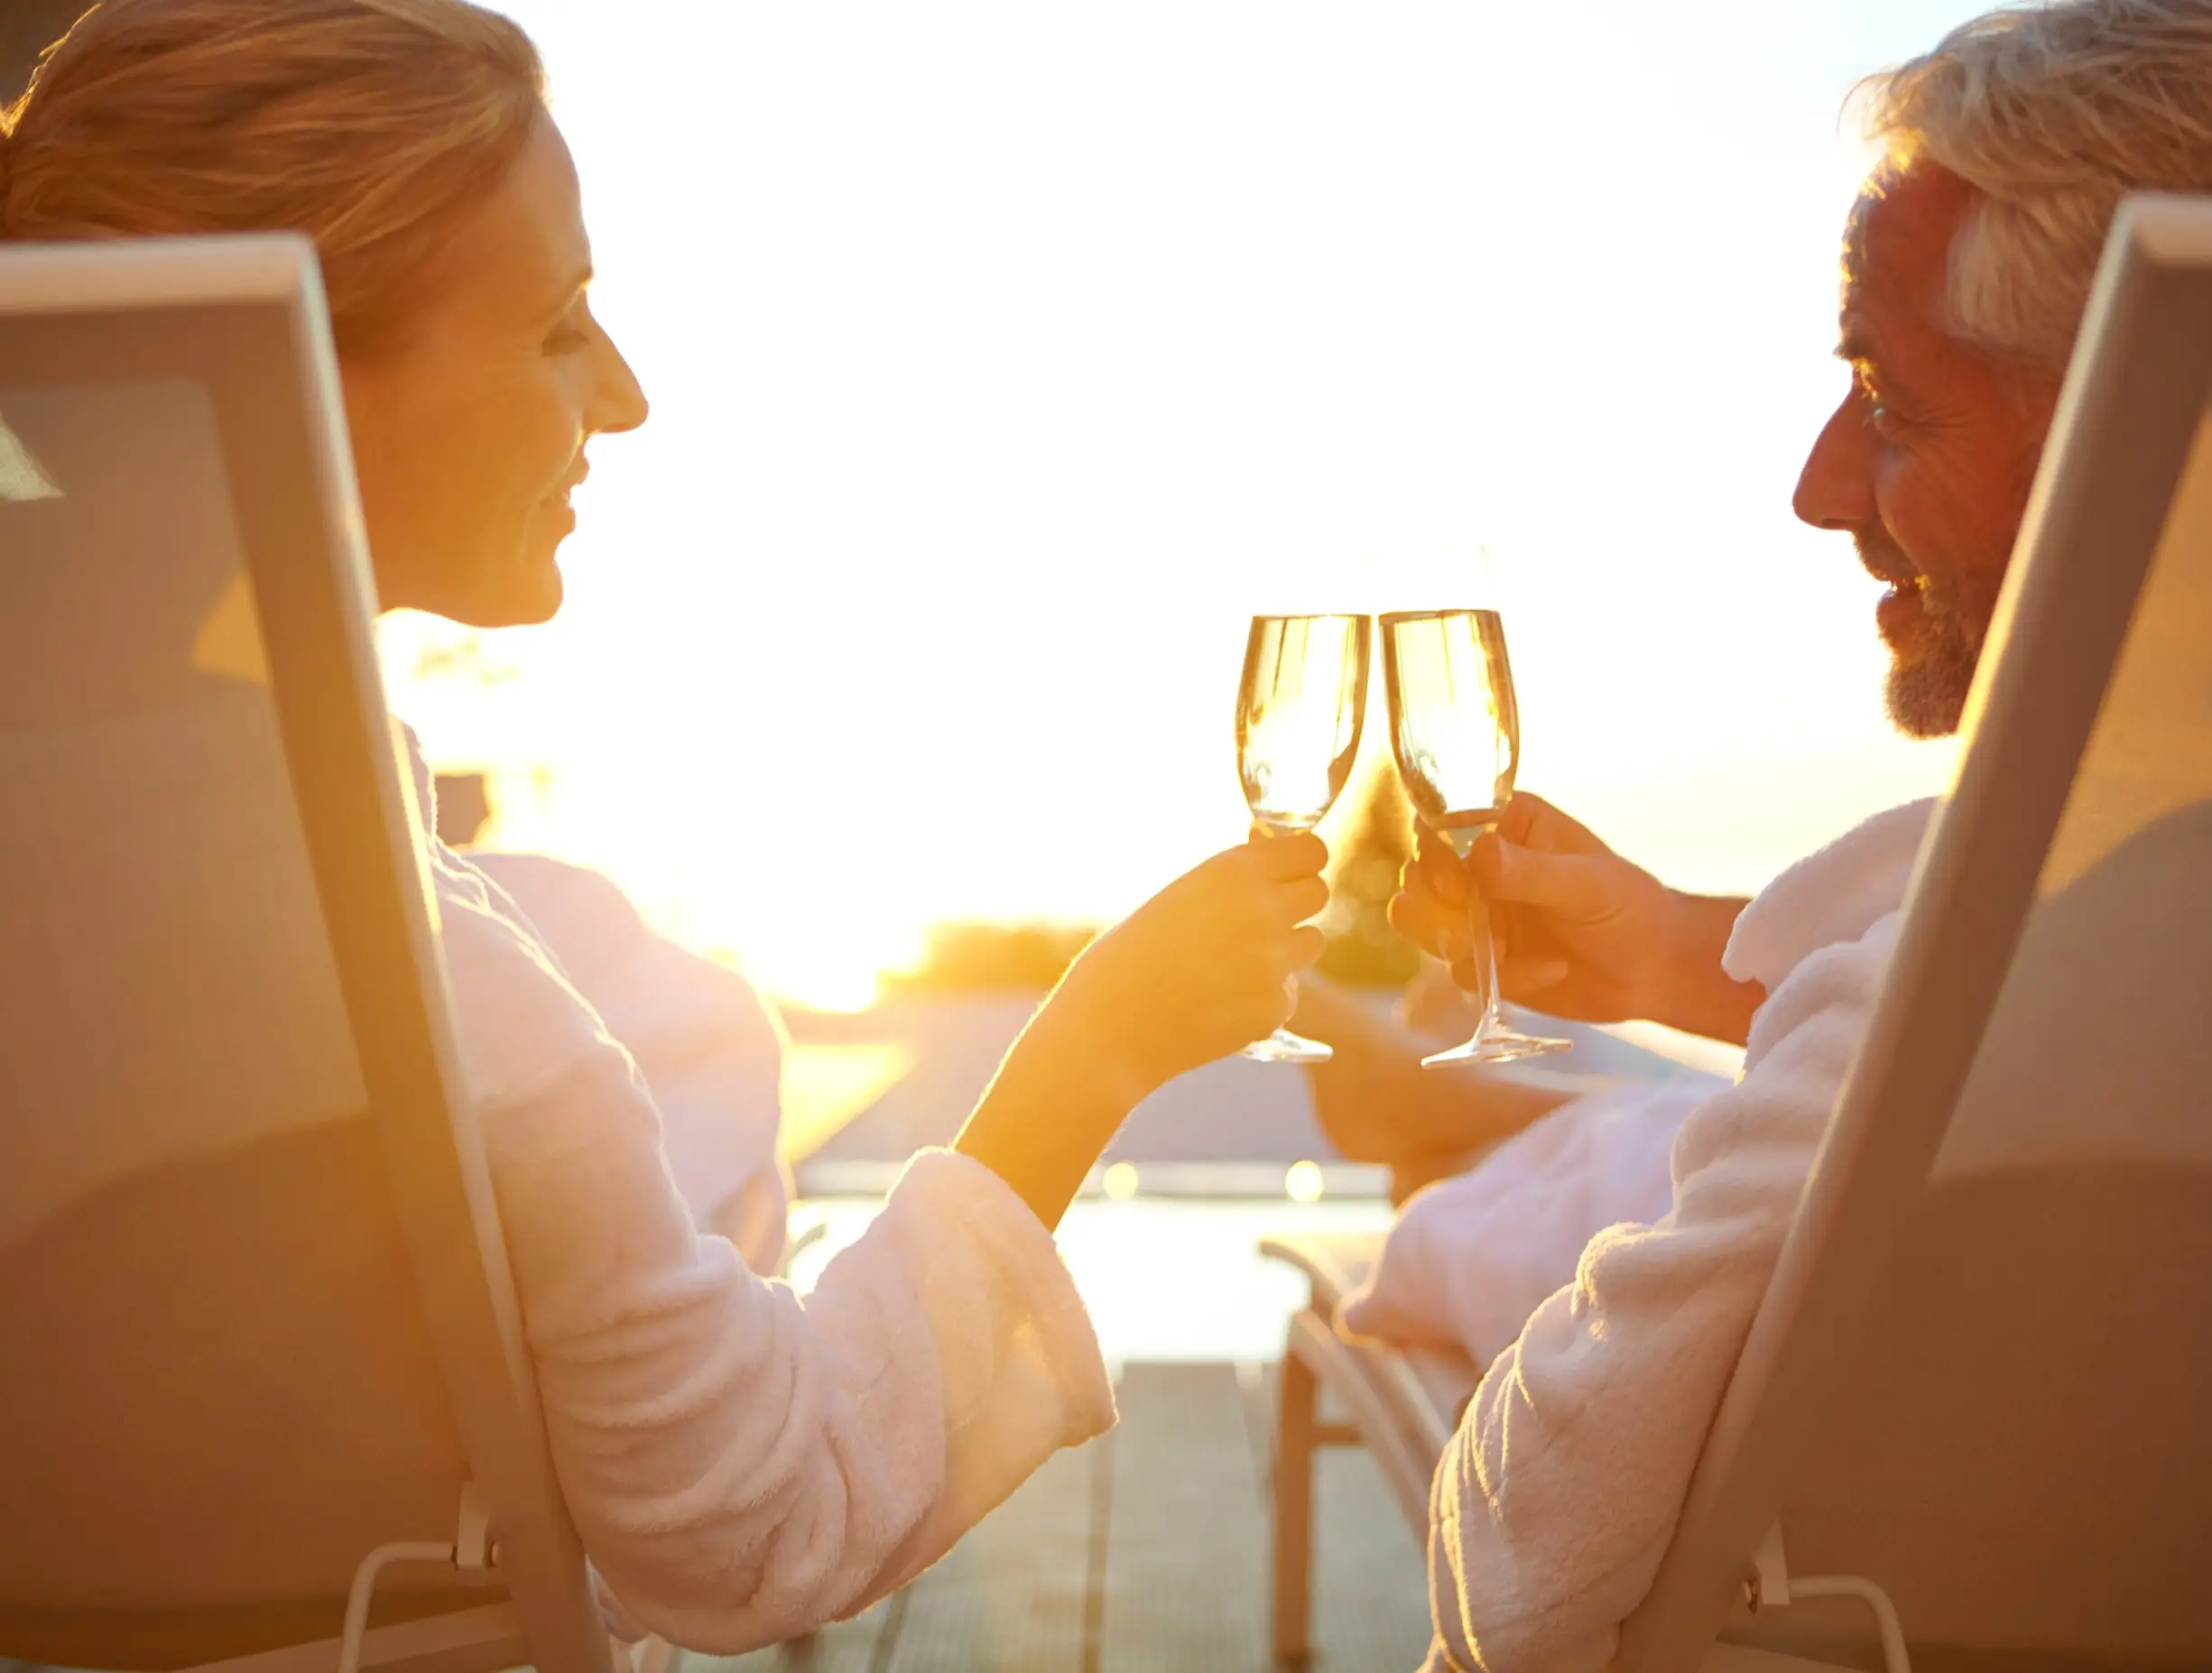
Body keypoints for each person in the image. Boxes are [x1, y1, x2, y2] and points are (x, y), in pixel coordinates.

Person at [0, 0, 1332, 1650]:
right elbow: (754, 1526)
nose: (622, 398)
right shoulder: (447, 997)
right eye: (562, 322)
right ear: (312, 383)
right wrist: (1098, 1046)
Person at [1335, 3, 2212, 1667]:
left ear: (2135, 437)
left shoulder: (1921, 1003)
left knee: (1525, 1198)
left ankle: (1434, 1121)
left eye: (1890, 397)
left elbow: (1526, 1568)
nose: (1818, 484)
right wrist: (1670, 951)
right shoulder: (2202, 940)